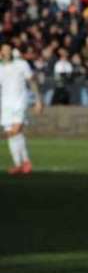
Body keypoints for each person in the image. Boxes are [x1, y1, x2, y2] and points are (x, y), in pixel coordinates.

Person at [1, 44, 43, 175]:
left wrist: (38, 100)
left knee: (15, 131)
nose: (6, 52)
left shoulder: (21, 64)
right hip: (5, 105)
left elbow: (32, 81)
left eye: (8, 50)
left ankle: (24, 163)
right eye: (4, 50)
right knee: (13, 134)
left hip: (20, 103)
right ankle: (21, 163)